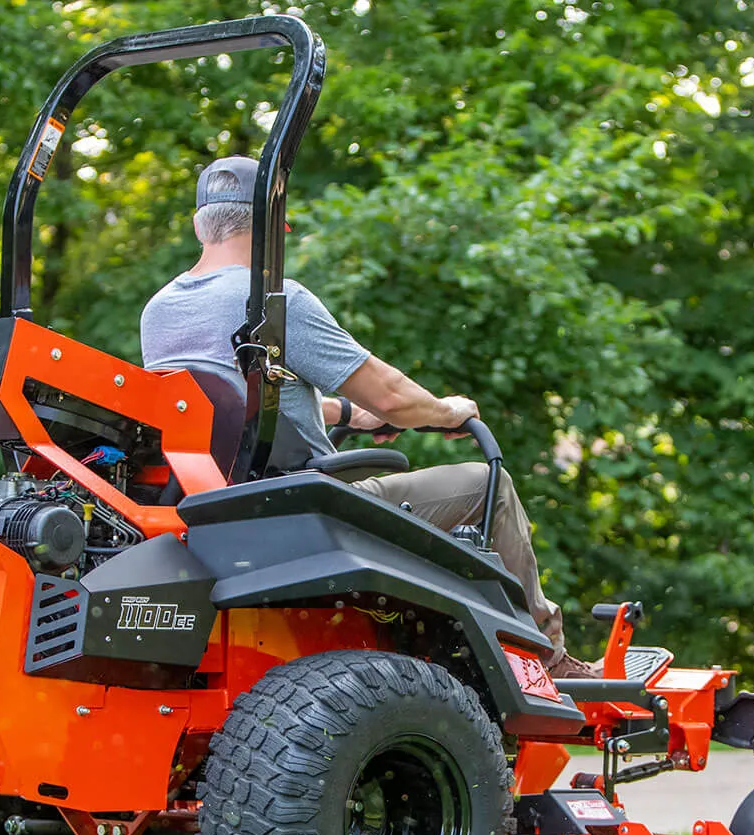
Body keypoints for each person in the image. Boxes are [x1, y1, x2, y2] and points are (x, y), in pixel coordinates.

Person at [140, 156, 598, 679]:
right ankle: (551, 661)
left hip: (222, 506)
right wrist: (446, 411)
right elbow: (394, 397)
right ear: (274, 225)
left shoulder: (159, 309)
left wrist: (344, 414)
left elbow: (229, 400)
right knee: (486, 488)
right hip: (305, 505)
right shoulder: (273, 302)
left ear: (201, 224)